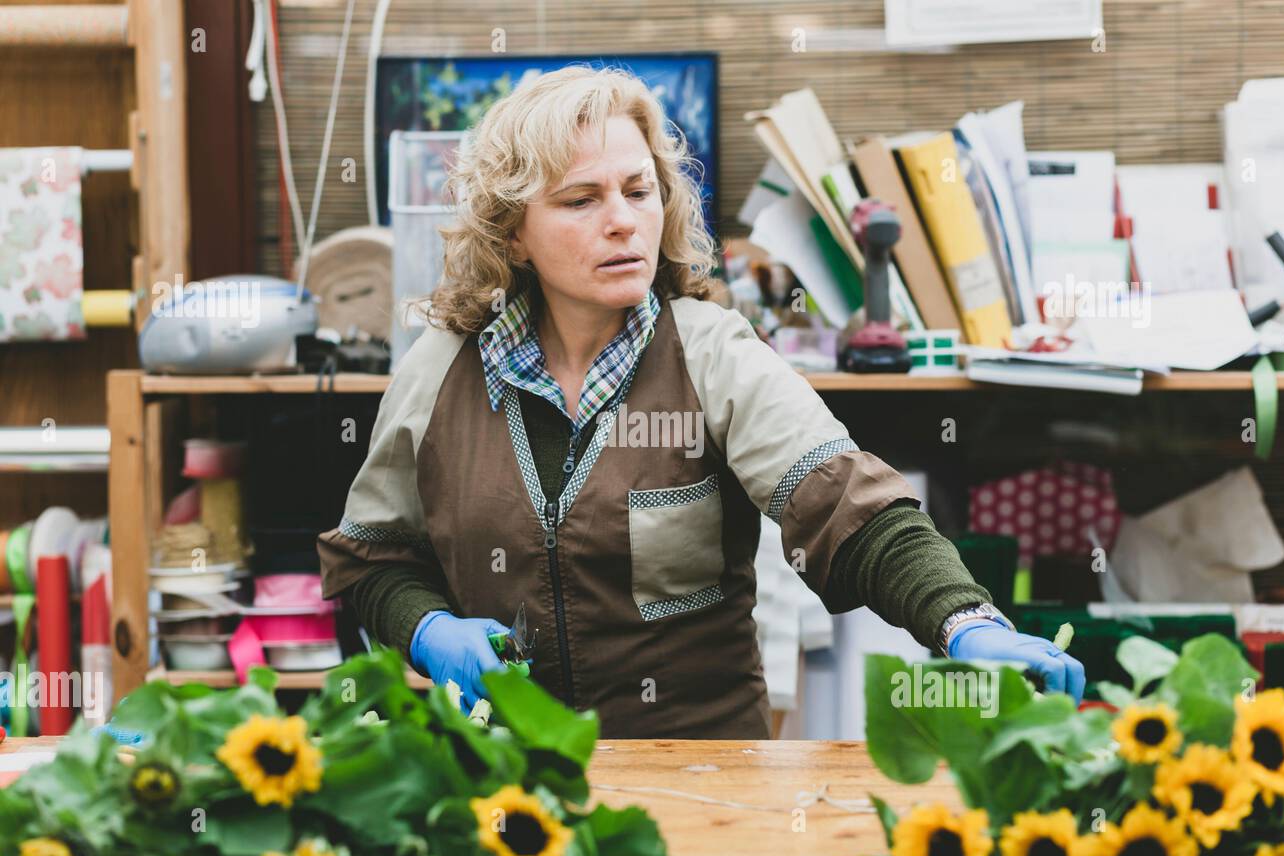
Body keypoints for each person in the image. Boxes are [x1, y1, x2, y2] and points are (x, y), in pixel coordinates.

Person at [316, 65, 1084, 738]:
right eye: (581, 199)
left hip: (700, 770)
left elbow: (849, 507)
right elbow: (374, 560)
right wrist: (428, 629)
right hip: (507, 777)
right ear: (514, 234)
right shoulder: (440, 371)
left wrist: (966, 622)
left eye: (638, 190)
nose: (622, 219)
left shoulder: (713, 354)